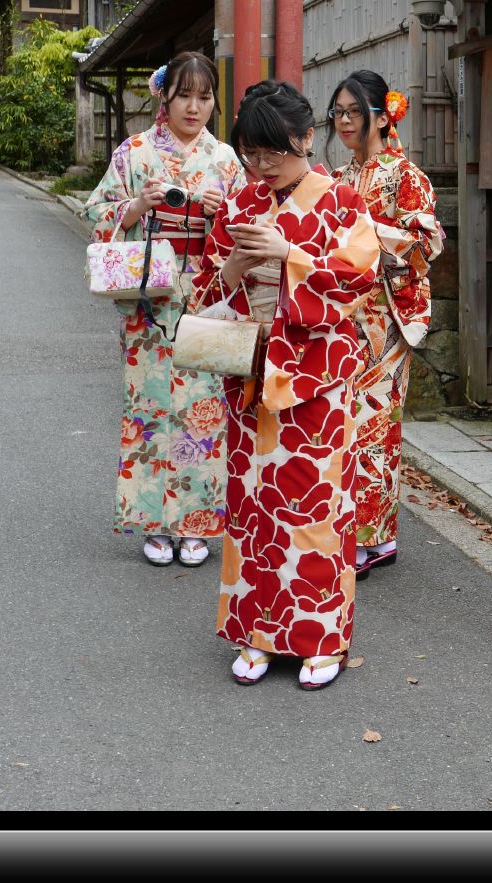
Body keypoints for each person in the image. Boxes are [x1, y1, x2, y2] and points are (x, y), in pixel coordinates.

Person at [192, 80, 380, 690]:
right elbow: (204, 295)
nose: (261, 165)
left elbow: (357, 282)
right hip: (251, 374)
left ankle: (322, 639)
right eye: (251, 152)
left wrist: (290, 253)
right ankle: (258, 633)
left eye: (273, 151)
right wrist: (233, 268)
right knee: (253, 510)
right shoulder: (240, 204)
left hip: (315, 378)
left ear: (305, 137)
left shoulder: (343, 202)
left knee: (313, 507)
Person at [82, 51, 243, 567]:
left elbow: (253, 226)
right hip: (150, 297)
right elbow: (96, 211)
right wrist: (136, 206)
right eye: (184, 95)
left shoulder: (225, 160)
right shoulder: (135, 152)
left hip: (208, 293)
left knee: (205, 406)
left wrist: (224, 216)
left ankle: (196, 524)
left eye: (204, 97)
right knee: (150, 406)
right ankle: (153, 522)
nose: (194, 107)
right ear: (164, 96)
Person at [326, 70, 444, 578]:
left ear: (381, 115)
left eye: (355, 111)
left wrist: (367, 232)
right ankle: (366, 535)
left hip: (386, 320)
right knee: (343, 426)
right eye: (338, 112)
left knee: (374, 426)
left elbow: (427, 245)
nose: (345, 121)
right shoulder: (337, 177)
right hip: (342, 318)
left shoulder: (405, 176)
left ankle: (369, 538)